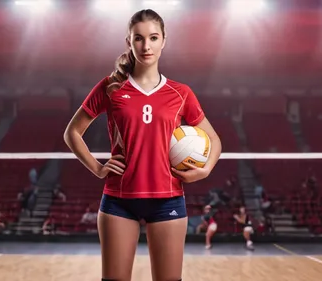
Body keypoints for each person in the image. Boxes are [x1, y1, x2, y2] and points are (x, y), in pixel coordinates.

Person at [63, 9, 221, 281]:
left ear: (164, 41)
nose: (146, 46)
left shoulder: (180, 93)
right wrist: (98, 169)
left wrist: (204, 170)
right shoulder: (111, 87)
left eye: (153, 37)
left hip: (168, 199)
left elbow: (214, 140)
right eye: (138, 38)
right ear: (129, 42)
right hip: (118, 200)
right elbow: (72, 133)